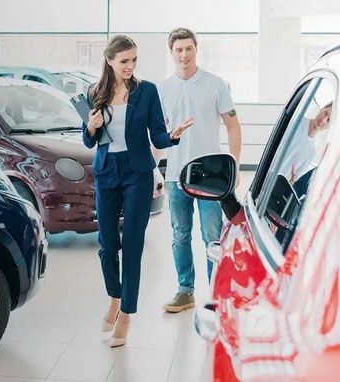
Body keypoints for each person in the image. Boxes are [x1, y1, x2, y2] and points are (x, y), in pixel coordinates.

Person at [82, 35, 192, 347]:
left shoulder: (147, 91)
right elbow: (90, 141)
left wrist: (173, 135)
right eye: (124, 61)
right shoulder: (95, 92)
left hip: (138, 173)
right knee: (106, 244)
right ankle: (115, 297)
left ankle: (127, 313)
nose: (130, 66)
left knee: (131, 244)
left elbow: (157, 136)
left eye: (134, 61)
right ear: (110, 61)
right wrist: (90, 128)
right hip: (106, 171)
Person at [158, 28, 243, 313]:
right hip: (175, 175)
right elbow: (157, 135)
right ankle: (185, 291)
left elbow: (233, 125)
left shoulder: (215, 84)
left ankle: (216, 295)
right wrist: (152, 170)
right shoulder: (163, 89)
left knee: (212, 237)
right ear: (172, 53)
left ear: (196, 50)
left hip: (210, 176)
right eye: (179, 50)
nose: (184, 54)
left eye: (188, 49)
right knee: (180, 234)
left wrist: (235, 164)